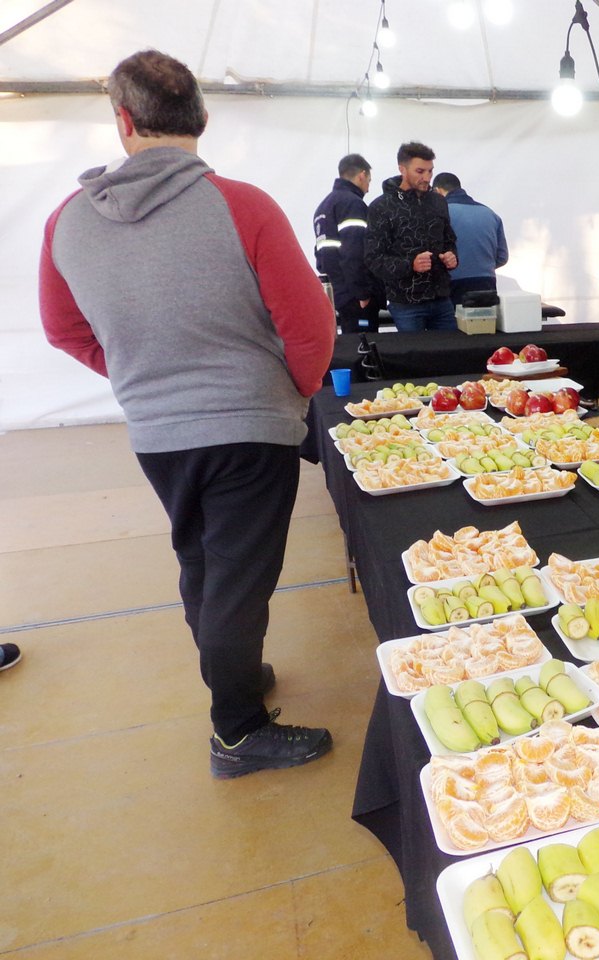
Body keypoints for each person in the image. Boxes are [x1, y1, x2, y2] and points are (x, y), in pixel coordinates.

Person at [39, 49, 336, 778]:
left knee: (202, 562)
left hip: (158, 431)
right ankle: (235, 732)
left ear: (124, 122)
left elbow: (63, 329)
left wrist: (138, 377)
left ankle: (231, 675)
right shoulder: (243, 205)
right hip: (248, 423)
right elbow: (310, 327)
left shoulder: (66, 222)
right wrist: (292, 395)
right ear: (201, 118)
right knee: (238, 577)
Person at [365, 142, 459, 332]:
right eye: (420, 171)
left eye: (430, 171)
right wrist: (410, 265)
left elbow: (449, 240)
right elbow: (373, 259)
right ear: (402, 169)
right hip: (406, 303)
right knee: (414, 358)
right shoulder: (381, 207)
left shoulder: (439, 202)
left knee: (450, 357)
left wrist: (451, 256)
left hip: (442, 298)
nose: (427, 177)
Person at [313, 153, 384, 334]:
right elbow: (354, 252)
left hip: (340, 294)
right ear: (362, 175)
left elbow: (322, 255)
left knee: (352, 345)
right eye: (369, 180)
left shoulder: (323, 207)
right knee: (366, 349)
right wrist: (363, 293)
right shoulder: (353, 204)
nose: (368, 188)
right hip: (356, 296)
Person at [432, 171, 508, 302]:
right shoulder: (490, 214)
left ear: (437, 191)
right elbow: (502, 257)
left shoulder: (439, 213)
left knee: (452, 322)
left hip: (451, 284)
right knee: (483, 322)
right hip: (486, 283)